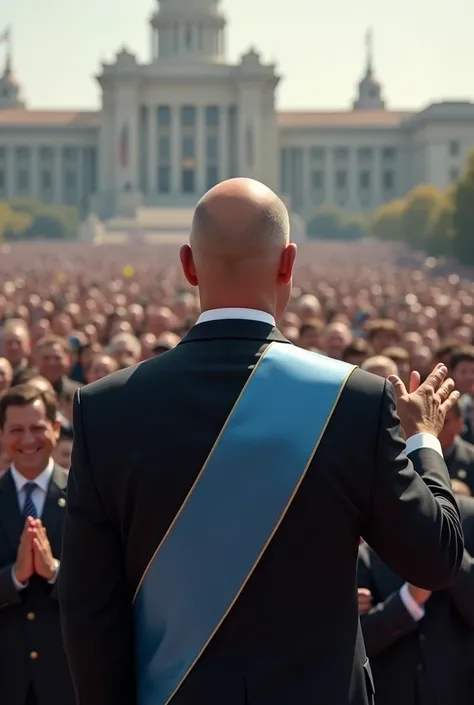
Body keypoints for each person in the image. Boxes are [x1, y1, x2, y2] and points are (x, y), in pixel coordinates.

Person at [59, 178, 463, 705]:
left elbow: (88, 613)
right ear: (288, 263)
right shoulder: (353, 401)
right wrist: (425, 442)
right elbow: (436, 559)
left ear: (187, 265)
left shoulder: (106, 409)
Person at [357, 494, 474, 705]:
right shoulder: (369, 546)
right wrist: (407, 601)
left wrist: (447, 549)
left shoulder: (469, 519)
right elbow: (359, 643)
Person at [0, 384, 75, 705]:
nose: (28, 440)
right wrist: (14, 576)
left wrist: (56, 573)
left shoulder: (86, 496)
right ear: (2, 435)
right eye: (17, 430)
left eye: (37, 428)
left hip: (69, 680)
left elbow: (106, 586)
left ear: (56, 429)